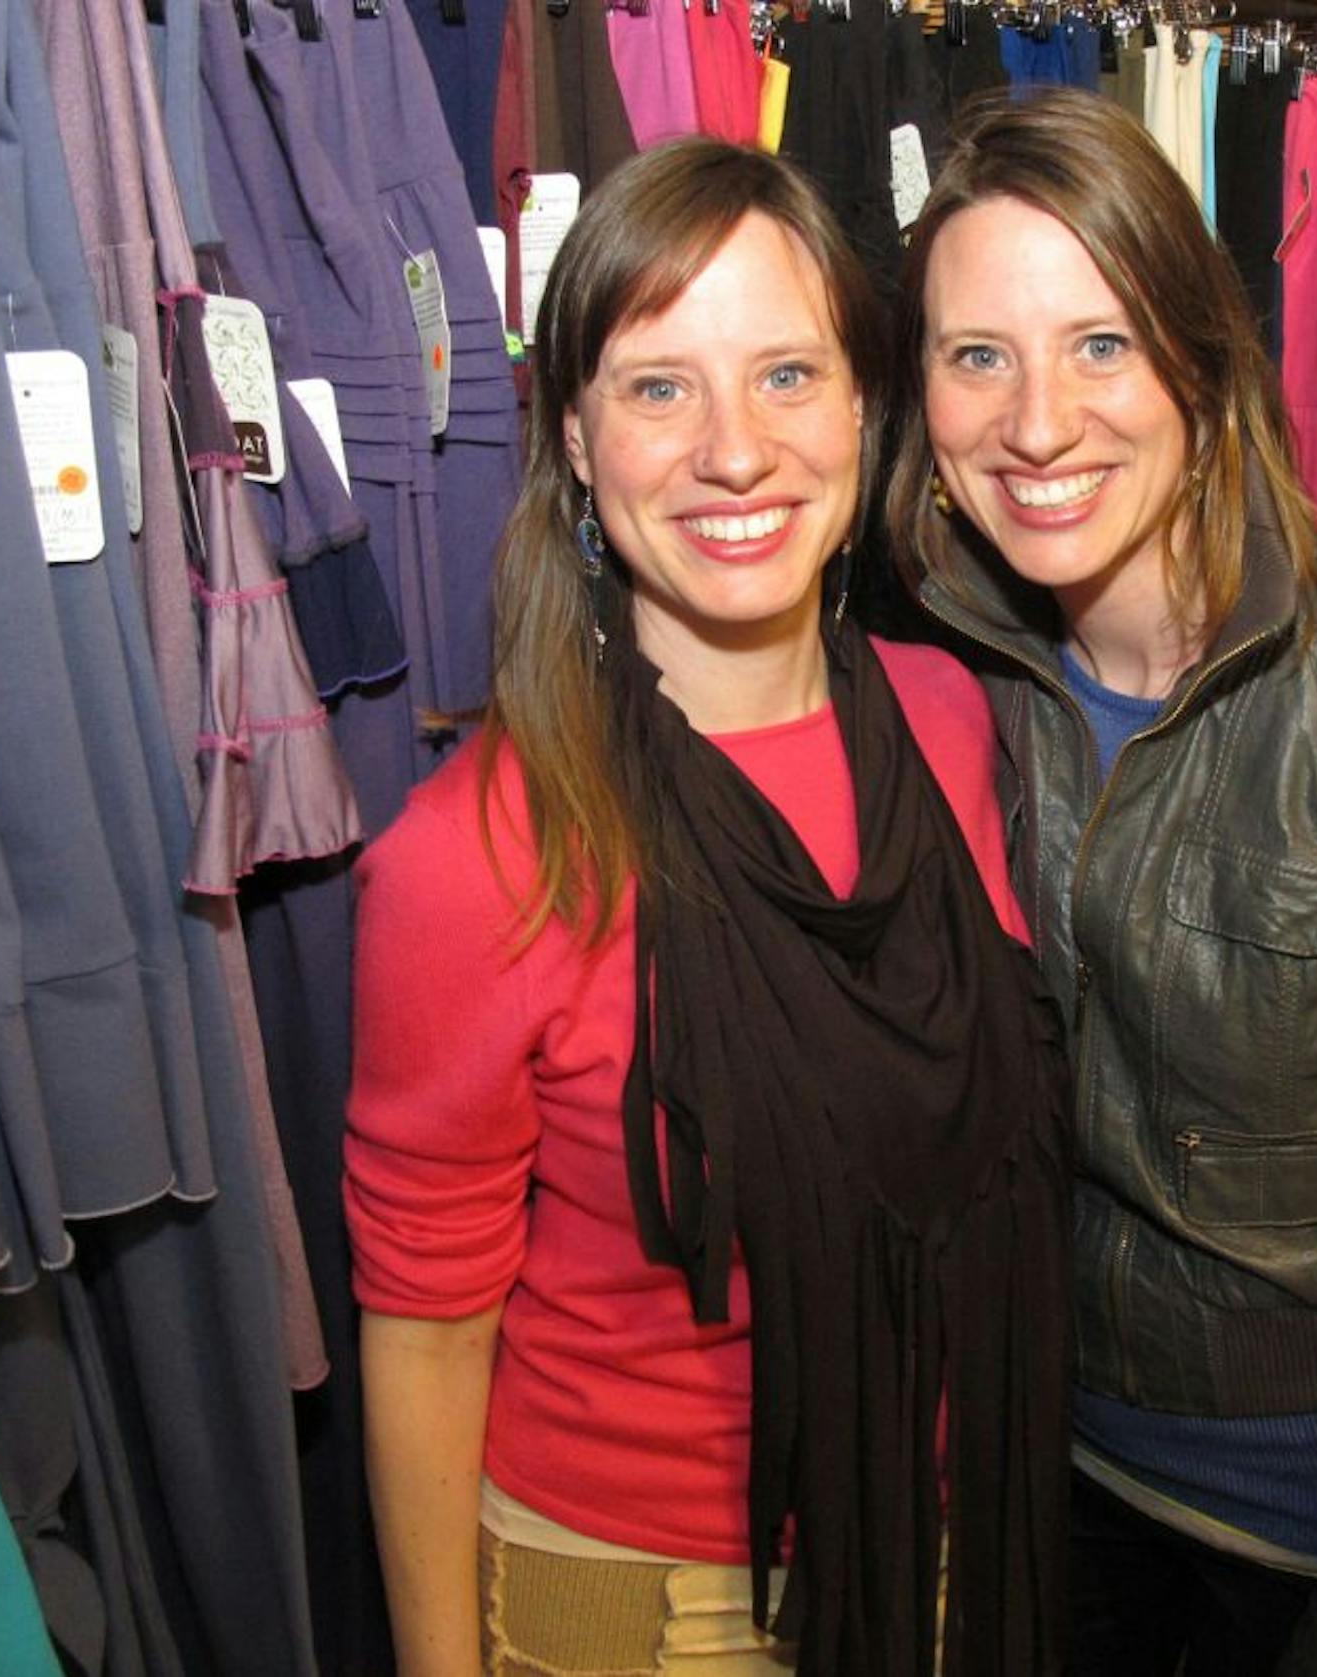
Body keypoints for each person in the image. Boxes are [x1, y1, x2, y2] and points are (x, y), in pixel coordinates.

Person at [344, 139, 1072, 1677]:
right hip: (650, 1607)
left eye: (789, 373)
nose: (735, 450)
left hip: (956, 1545)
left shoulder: (952, 721)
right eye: (660, 386)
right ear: (579, 448)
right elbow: (422, 1335)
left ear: (868, 412)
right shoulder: (475, 854)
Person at [891, 89, 1317, 1677]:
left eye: (1102, 343)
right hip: (1036, 1459)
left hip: (1295, 1515)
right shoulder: (953, 677)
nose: (1037, 423)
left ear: (1203, 359)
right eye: (976, 353)